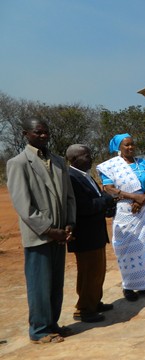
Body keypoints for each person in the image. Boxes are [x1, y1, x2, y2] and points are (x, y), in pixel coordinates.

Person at [6, 117, 76, 344]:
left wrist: (69, 223)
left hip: (59, 235)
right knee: (39, 284)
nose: (44, 136)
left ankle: (52, 324)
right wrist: (47, 229)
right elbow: (23, 205)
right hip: (39, 236)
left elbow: (69, 197)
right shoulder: (18, 163)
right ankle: (39, 330)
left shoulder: (57, 161)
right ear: (26, 134)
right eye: (38, 132)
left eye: (46, 132)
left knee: (56, 283)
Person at [96, 133, 145, 301]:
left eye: (132, 144)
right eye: (126, 145)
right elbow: (109, 188)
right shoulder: (111, 166)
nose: (130, 148)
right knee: (127, 249)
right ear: (119, 147)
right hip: (125, 211)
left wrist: (142, 199)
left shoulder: (142, 163)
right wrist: (133, 197)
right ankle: (128, 286)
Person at [66, 144, 116, 323]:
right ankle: (85, 309)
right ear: (74, 159)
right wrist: (106, 200)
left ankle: (95, 301)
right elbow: (83, 206)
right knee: (88, 272)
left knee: (98, 270)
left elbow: (98, 197)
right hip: (85, 234)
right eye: (86, 156)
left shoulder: (85, 176)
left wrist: (104, 201)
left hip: (96, 231)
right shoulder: (71, 178)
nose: (90, 158)